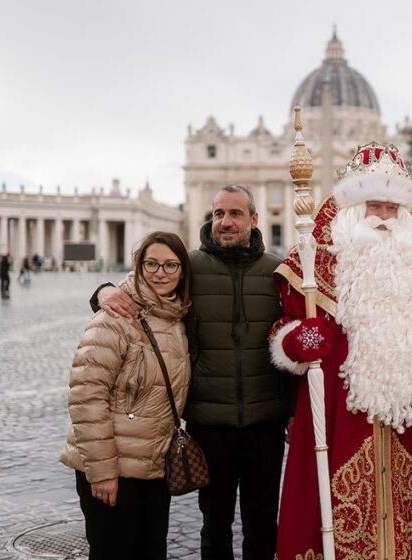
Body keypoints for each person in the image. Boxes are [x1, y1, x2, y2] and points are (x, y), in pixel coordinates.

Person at [269, 142, 412, 559]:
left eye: (391, 209)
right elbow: (283, 328)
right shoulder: (312, 265)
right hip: (334, 412)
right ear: (351, 209)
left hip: (407, 417)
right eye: (374, 206)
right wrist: (300, 340)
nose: (384, 218)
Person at [95, 185, 291, 560]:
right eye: (218, 213)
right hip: (207, 421)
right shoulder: (190, 267)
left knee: (263, 522)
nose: (225, 222)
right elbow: (138, 287)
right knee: (214, 523)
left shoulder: (276, 272)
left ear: (253, 219)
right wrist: (102, 292)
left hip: (265, 420)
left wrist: (293, 409)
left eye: (235, 214)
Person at [60, 231, 192, 559]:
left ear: (182, 272)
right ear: (138, 265)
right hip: (114, 469)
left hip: (153, 467)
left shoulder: (176, 316)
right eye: (151, 264)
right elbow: (87, 398)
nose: (160, 273)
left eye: (170, 265)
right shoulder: (115, 317)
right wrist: (103, 472)